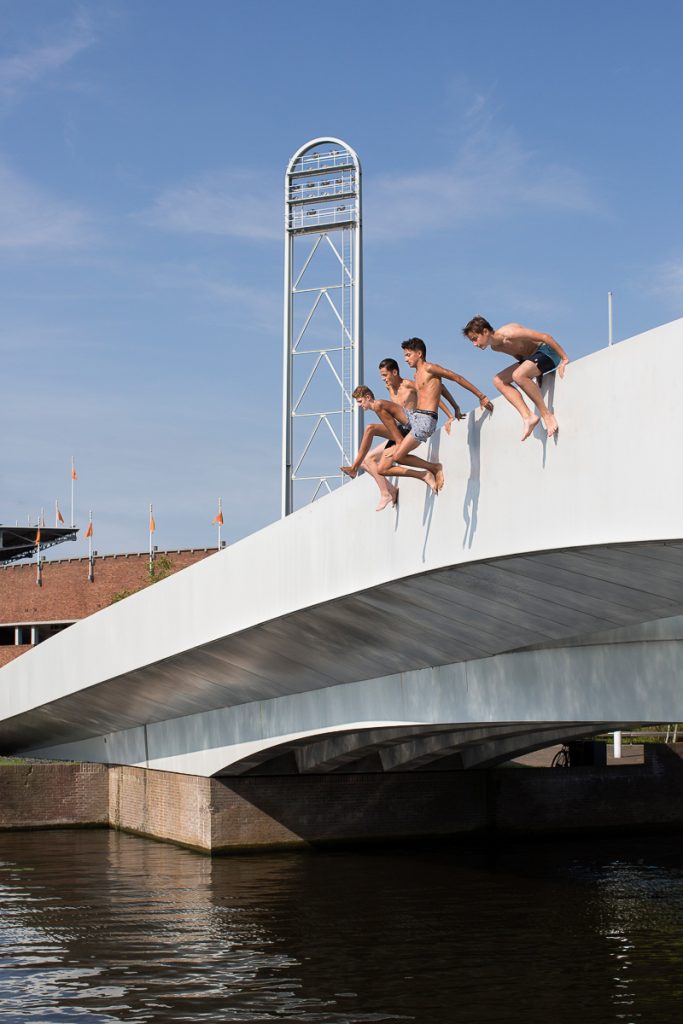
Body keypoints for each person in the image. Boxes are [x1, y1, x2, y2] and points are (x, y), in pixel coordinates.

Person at [341, 358, 463, 508]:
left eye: (385, 375)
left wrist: (450, 415)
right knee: (377, 464)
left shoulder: (408, 385)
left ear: (394, 372)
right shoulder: (390, 389)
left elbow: (433, 393)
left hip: (413, 424)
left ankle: (379, 482)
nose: (383, 379)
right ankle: (391, 488)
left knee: (375, 417)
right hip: (400, 428)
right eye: (381, 376)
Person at [380, 338, 492, 477]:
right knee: (382, 407)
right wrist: (455, 407)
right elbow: (442, 389)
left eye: (408, 355)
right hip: (415, 417)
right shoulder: (416, 374)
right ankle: (399, 441)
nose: (405, 359)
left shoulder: (430, 368)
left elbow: (456, 378)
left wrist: (481, 396)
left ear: (419, 353)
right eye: (405, 356)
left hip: (426, 420)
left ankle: (434, 468)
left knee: (398, 457)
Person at [462, 315, 569, 440]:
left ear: (485, 332)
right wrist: (534, 371)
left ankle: (546, 415)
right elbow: (519, 356)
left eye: (475, 339)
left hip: (549, 352)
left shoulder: (510, 333)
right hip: (534, 358)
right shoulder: (496, 347)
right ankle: (528, 417)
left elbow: (545, 337)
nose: (474, 344)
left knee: (518, 375)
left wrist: (564, 358)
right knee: (498, 380)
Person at [347, 385, 445, 494]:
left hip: (412, 426)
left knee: (396, 455)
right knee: (382, 469)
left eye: (360, 401)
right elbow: (392, 425)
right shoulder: (378, 408)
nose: (359, 405)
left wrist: (399, 443)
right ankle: (424, 475)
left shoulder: (378, 404)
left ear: (368, 397)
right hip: (401, 430)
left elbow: (432, 394)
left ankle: (434, 467)